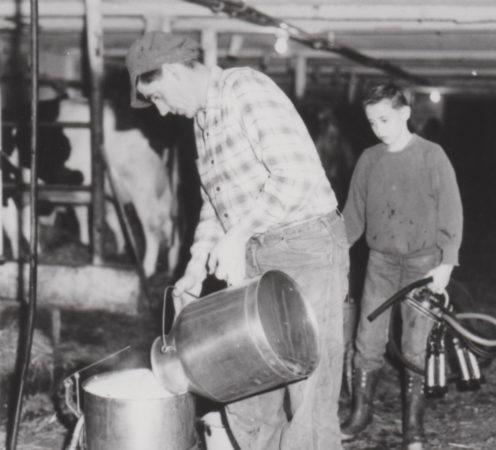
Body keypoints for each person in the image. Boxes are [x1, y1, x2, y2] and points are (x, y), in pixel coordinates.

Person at [125, 32, 349, 450]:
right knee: (245, 388)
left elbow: (296, 177)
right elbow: (215, 203)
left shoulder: (245, 89)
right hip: (255, 256)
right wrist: (195, 267)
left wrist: (241, 233)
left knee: (307, 399)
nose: (160, 110)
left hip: (306, 247)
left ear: (174, 72)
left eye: (156, 96)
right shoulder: (202, 121)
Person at [341, 84, 463, 449]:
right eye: (372, 122)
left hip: (422, 264)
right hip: (380, 262)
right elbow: (352, 217)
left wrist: (447, 262)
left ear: (405, 113)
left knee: (414, 344)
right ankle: (361, 416)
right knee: (367, 338)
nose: (378, 128)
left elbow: (451, 210)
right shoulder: (369, 159)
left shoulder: (432, 156)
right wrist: (334, 253)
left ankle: (414, 426)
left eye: (385, 119)